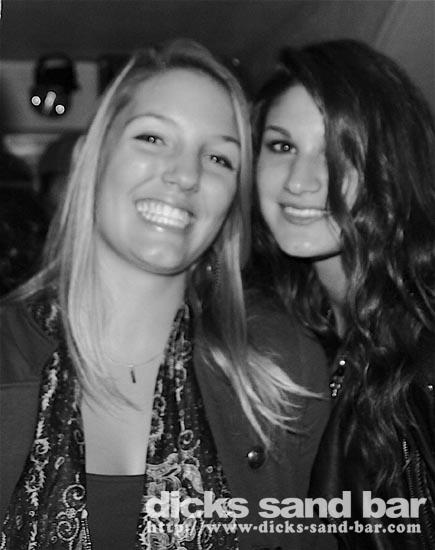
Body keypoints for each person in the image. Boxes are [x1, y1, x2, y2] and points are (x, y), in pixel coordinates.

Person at [0, 39, 330, 550]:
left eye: (219, 157)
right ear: (91, 157)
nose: (185, 175)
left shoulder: (285, 370)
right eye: (152, 138)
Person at [251, 39, 435, 548]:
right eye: (282, 146)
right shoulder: (291, 329)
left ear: (391, 168)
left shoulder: (422, 342)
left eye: (339, 154)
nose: (301, 182)